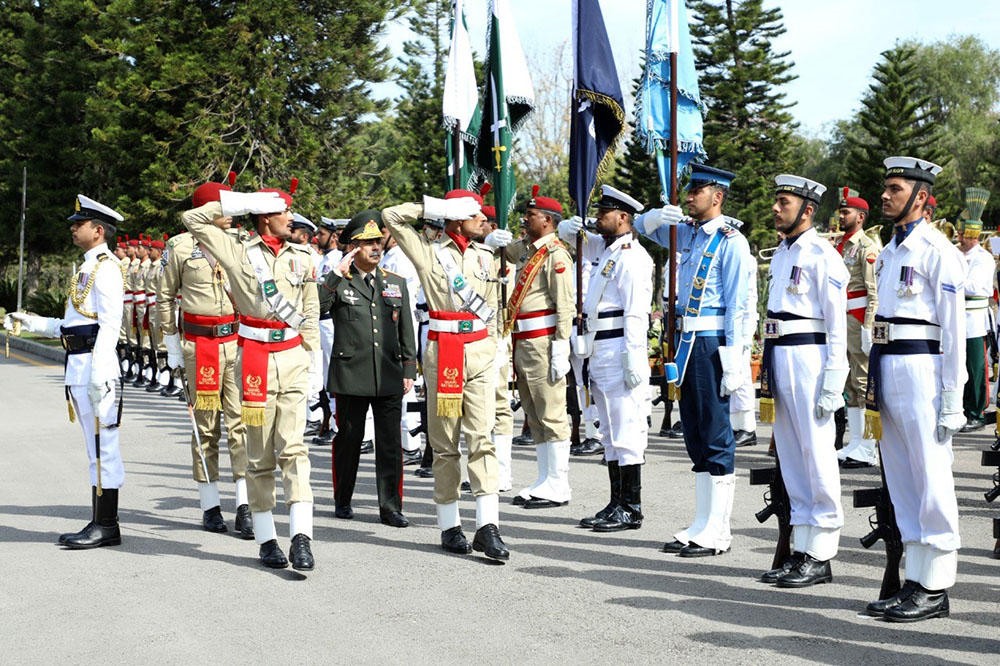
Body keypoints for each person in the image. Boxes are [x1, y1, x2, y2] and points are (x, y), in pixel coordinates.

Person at [182, 185, 319, 571]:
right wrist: (241, 203)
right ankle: (266, 538)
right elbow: (192, 219)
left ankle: (301, 537)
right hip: (254, 357)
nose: (291, 217)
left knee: (294, 449)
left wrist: (313, 359)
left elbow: (309, 309)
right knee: (259, 454)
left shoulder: (303, 254)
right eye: (284, 211)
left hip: (291, 355)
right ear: (264, 216)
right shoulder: (236, 249)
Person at [381, 189, 509, 561]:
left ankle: (488, 526)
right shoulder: (428, 250)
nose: (484, 220)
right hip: (445, 351)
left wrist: (500, 342)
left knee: (482, 436)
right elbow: (391, 215)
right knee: (446, 442)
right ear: (455, 218)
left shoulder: (487, 251)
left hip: (482, 349)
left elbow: (501, 295)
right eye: (474, 215)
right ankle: (450, 524)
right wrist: (435, 208)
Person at [863, 156, 963, 621]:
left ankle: (937, 584)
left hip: (923, 369)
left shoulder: (936, 249)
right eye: (885, 188)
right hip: (890, 368)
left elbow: (956, 330)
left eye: (896, 188)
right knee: (902, 480)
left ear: (921, 197)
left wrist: (952, 397)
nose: (885, 195)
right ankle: (915, 580)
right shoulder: (889, 250)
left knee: (931, 478)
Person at [635, 164, 754, 555]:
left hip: (710, 342)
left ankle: (719, 531)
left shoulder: (730, 241)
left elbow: (739, 305)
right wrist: (655, 216)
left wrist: (735, 357)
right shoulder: (685, 232)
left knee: (716, 434)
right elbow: (640, 227)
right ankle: (702, 521)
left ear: (716, 196)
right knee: (695, 435)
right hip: (684, 342)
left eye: (696, 191)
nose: (688, 197)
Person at [5, 195, 126, 548]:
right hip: (80, 365)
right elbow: (72, 325)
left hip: (95, 368)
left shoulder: (105, 267)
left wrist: (99, 374)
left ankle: (106, 524)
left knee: (104, 447)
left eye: (80, 224)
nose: (73, 228)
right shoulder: (88, 267)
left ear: (98, 230)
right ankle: (101, 522)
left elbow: (110, 324)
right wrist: (32, 322)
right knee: (95, 447)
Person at [757, 174, 849, 587]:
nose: (776, 208)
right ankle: (802, 545)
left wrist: (835, 375)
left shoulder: (822, 254)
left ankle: (822, 549)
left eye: (784, 202)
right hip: (780, 353)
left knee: (816, 451)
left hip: (810, 356)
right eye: (776, 201)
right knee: (792, 455)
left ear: (808, 210)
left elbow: (836, 322)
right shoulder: (781, 252)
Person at [158, 180, 252, 538]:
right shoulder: (180, 247)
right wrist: (171, 344)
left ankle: (244, 504)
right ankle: (210, 505)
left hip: (236, 343)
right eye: (221, 208)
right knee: (206, 429)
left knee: (241, 425)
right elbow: (165, 297)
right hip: (200, 347)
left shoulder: (238, 244)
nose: (229, 215)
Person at [559, 185, 653, 532]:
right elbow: (568, 232)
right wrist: (580, 222)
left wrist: (633, 358)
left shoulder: (633, 257)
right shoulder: (607, 250)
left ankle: (631, 506)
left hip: (619, 349)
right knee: (610, 432)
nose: (599, 218)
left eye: (604, 213)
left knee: (626, 429)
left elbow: (635, 314)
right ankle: (616, 502)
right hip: (598, 348)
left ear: (623, 217)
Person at [319, 211, 416, 528]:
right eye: (366, 242)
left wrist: (409, 368)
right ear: (352, 247)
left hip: (388, 372)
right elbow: (317, 308)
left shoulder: (395, 283)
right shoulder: (339, 281)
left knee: (389, 444)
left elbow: (406, 328)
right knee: (349, 439)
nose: (375, 247)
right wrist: (335, 274)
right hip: (350, 374)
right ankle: (343, 499)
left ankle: (391, 506)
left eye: (377, 241)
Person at [485, 186, 575, 509]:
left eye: (532, 214)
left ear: (548, 221)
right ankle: (544, 477)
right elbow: (506, 251)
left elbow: (564, 303)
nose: (526, 217)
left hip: (544, 341)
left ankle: (559, 481)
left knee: (551, 410)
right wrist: (493, 236)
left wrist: (563, 344)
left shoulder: (555, 255)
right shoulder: (527, 249)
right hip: (523, 341)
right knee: (534, 413)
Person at [834, 189, 881, 468]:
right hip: (842, 319)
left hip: (858, 318)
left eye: (846, 212)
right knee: (850, 383)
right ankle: (855, 442)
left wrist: (869, 327)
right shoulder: (841, 245)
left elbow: (872, 291)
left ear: (860, 217)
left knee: (863, 381)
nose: (841, 216)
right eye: (841, 211)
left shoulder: (867, 247)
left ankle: (868, 445)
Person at [379, 221, 424, 466]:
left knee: (405, 386)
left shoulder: (399, 259)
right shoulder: (391, 257)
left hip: (399, 327)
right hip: (392, 327)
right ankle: (405, 442)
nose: (381, 238)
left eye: (384, 232)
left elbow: (400, 301)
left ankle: (410, 444)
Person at [955, 192, 994, 432]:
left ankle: (976, 411)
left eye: (963, 235)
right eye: (959, 234)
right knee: (957, 367)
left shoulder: (983, 258)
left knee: (975, 368)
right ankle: (960, 409)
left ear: (974, 235)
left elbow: (975, 286)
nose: (959, 238)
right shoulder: (955, 253)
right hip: (956, 319)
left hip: (974, 321)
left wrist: (952, 281)